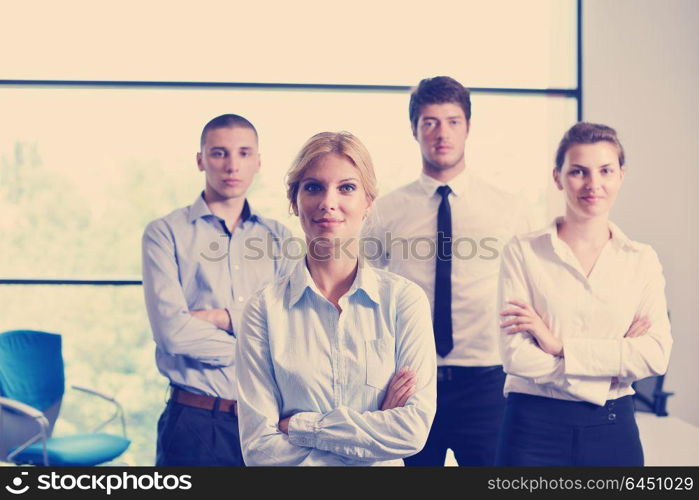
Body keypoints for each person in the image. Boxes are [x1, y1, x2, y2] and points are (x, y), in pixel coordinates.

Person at [235, 131, 437, 466]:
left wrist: (299, 426)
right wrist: (371, 431)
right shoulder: (264, 310)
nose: (328, 202)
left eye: (346, 187)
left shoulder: (404, 301)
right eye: (313, 187)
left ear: (368, 202)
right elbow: (259, 449)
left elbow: (411, 431)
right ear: (294, 201)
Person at [361, 76, 530, 465]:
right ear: (414, 129)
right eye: (430, 122)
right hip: (410, 380)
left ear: (468, 127)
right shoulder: (385, 211)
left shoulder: (508, 210)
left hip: (486, 381)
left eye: (453, 121)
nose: (442, 133)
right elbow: (365, 292)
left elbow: (532, 289)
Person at [496, 122, 673, 466]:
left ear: (621, 175)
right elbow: (517, 356)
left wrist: (559, 347)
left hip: (612, 428)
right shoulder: (523, 252)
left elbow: (655, 354)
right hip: (533, 430)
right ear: (557, 177)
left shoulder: (641, 260)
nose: (593, 184)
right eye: (578, 171)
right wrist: (613, 364)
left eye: (605, 171)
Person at [142, 114, 292, 466]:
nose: (231, 165)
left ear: (258, 161)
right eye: (219, 153)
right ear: (200, 160)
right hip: (195, 422)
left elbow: (290, 330)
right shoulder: (165, 233)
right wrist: (259, 349)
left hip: (267, 425)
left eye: (243, 153)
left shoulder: (280, 239)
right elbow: (173, 334)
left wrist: (222, 318)